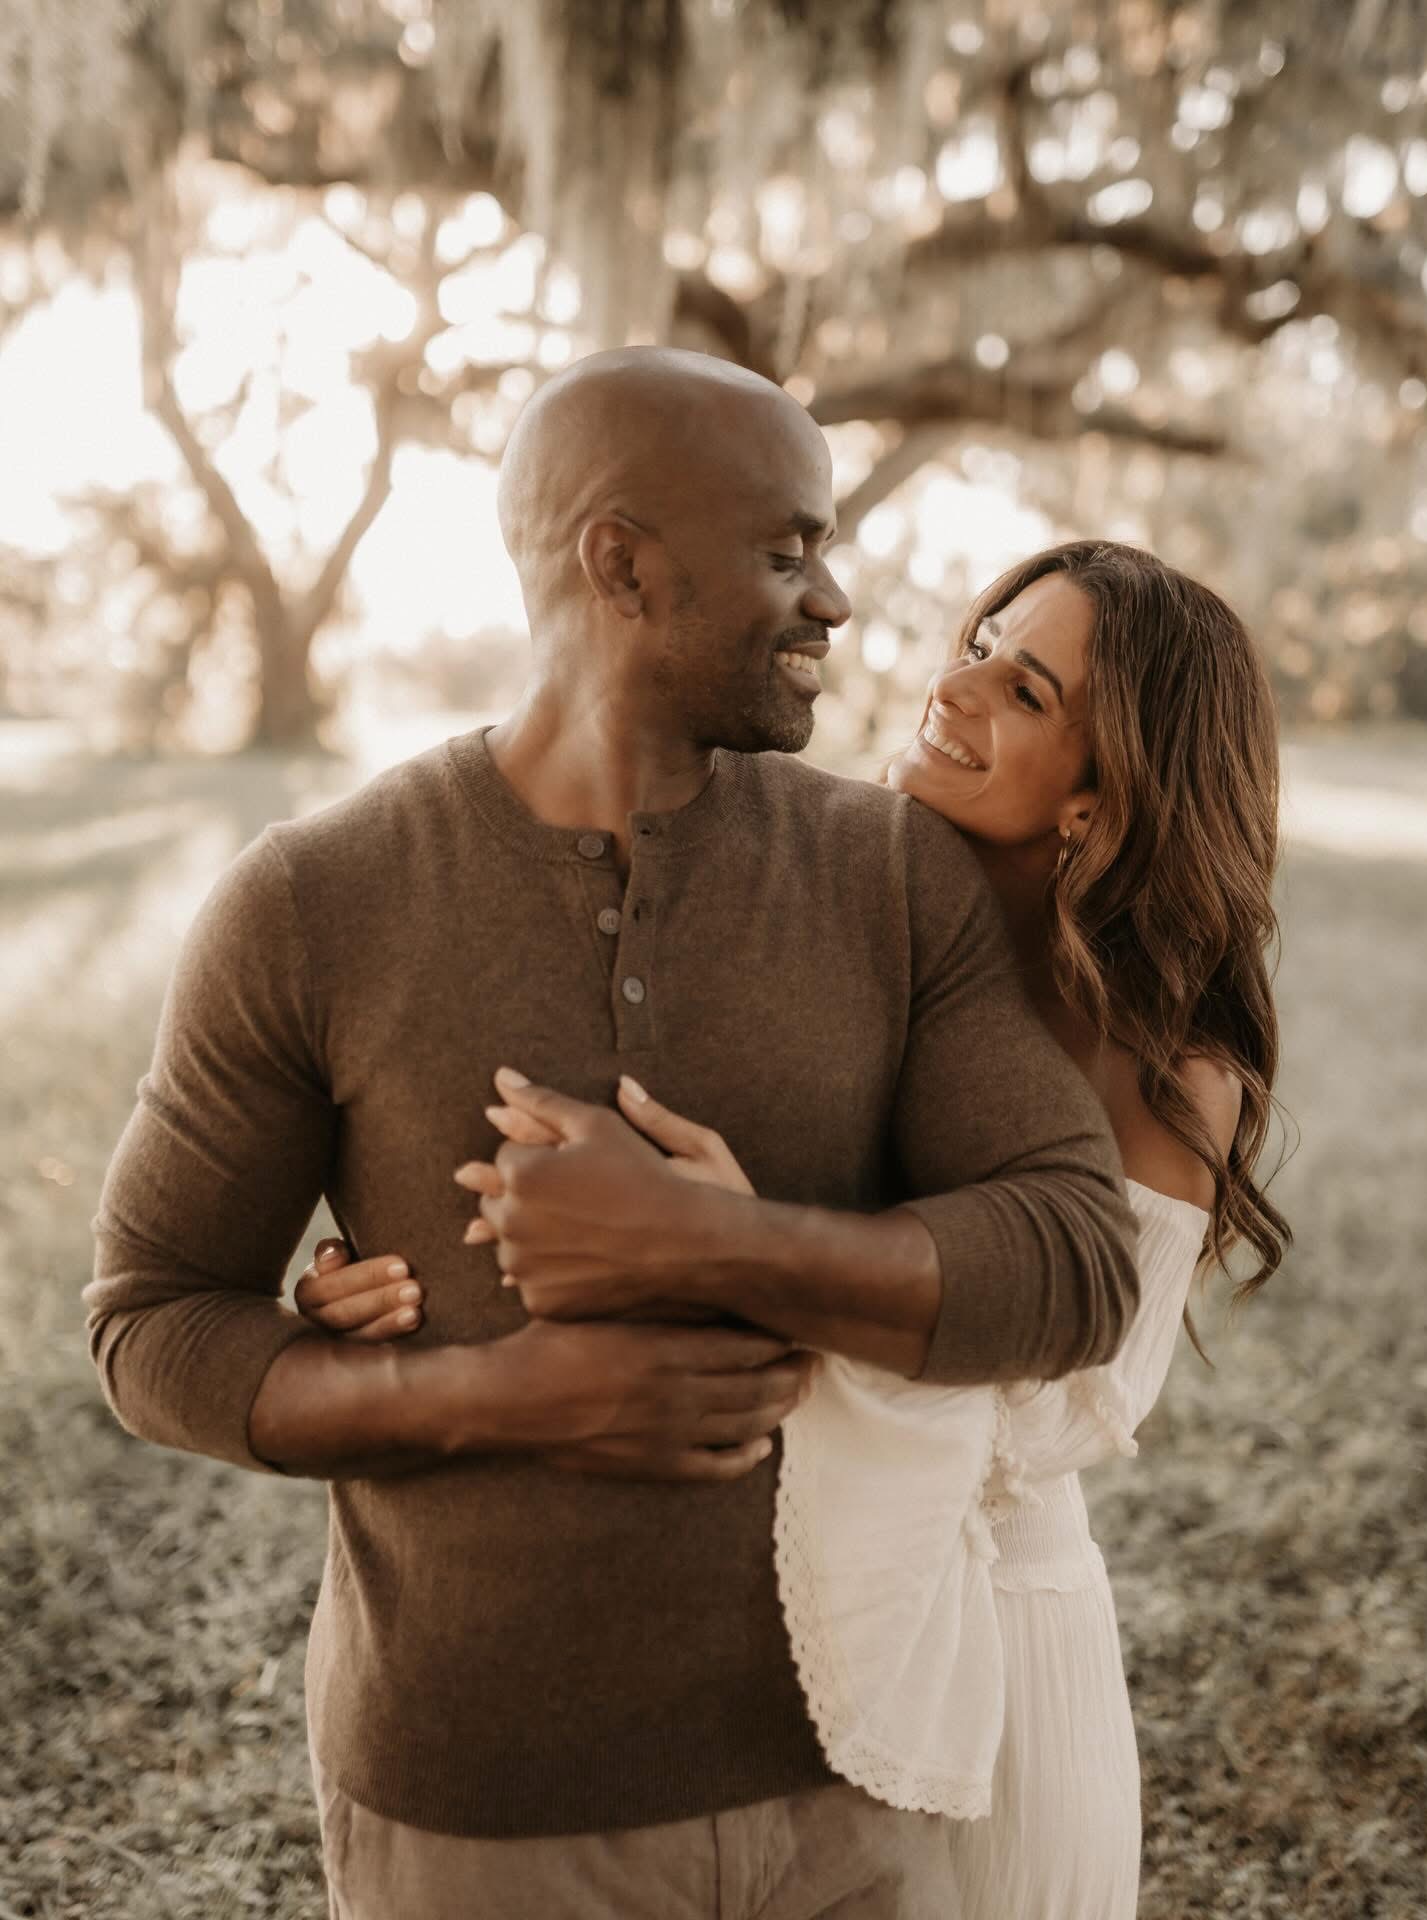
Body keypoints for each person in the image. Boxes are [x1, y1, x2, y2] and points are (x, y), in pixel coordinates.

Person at [85, 351, 1138, 1920]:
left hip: (855, 1782)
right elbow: (151, 1325)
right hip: (480, 1809)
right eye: (788, 552)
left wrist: (710, 1238)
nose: (837, 600)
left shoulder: (893, 877)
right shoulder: (314, 899)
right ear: (622, 564)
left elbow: (1074, 1255)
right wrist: (490, 1395)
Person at [305, 539, 1290, 1917]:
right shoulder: (839, 914)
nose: (955, 687)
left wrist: (734, 1258)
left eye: (1023, 690)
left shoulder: (1165, 1063)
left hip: (988, 1630)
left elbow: (1061, 1408)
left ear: (1102, 793)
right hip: (745, 1639)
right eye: (975, 643)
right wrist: (400, 1279)